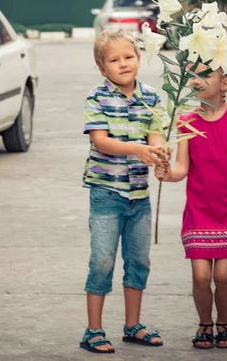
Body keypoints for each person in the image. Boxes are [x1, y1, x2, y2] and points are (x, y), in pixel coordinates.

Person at [155, 62, 227, 349]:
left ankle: (224, 321)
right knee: (201, 276)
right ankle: (205, 323)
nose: (195, 81)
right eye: (192, 76)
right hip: (200, 212)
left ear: (224, 83)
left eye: (205, 75)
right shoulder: (186, 122)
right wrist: (167, 174)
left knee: (223, 275)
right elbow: (181, 168)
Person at [80, 29, 170, 354]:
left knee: (138, 261)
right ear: (103, 68)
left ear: (139, 58)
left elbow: (156, 134)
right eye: (114, 60)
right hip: (107, 194)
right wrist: (138, 149)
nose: (123, 64)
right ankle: (93, 330)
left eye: (128, 57)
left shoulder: (152, 97)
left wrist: (159, 152)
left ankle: (133, 326)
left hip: (139, 196)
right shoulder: (97, 97)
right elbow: (100, 140)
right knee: (102, 261)